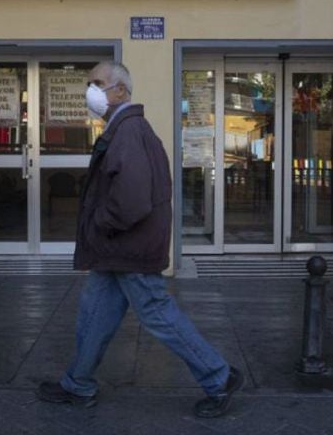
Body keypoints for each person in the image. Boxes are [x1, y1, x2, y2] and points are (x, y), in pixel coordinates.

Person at [37, 61, 243, 418]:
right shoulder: (124, 129)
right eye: (89, 83)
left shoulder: (129, 131)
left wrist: (101, 222)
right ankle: (78, 384)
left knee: (158, 314)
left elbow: (132, 199)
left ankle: (218, 376)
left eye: (98, 83)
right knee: (95, 314)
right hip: (116, 249)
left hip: (127, 246)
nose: (91, 90)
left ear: (120, 90)